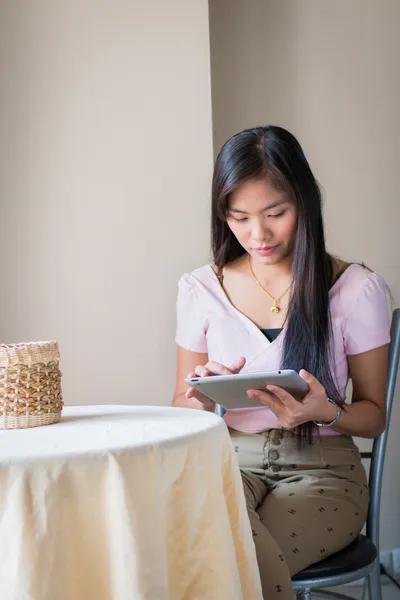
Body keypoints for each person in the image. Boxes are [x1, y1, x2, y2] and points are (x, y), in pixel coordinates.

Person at [172, 125, 390, 599]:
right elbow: (181, 407)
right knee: (183, 542)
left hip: (324, 471)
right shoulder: (200, 289)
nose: (258, 234)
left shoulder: (355, 290)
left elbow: (374, 416)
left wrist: (323, 411)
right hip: (229, 464)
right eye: (238, 217)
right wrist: (204, 392)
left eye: (276, 213)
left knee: (235, 558)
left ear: (305, 203)